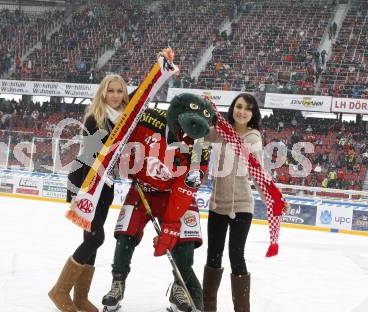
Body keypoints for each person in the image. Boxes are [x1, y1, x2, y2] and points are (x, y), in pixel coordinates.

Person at [102, 94, 217, 312]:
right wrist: (126, 160)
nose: (187, 140)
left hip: (174, 196)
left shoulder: (200, 149)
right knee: (126, 233)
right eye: (183, 132)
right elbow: (121, 138)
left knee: (185, 239)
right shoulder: (148, 119)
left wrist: (172, 225)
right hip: (142, 189)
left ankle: (178, 286)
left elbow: (185, 189)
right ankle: (118, 282)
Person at [48, 74, 129, 312]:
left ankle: (81, 298)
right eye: (111, 91)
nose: (115, 95)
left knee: (90, 239)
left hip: (107, 186)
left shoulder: (125, 118)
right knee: (96, 238)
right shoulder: (97, 118)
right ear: (103, 93)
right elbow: (92, 155)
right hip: (88, 183)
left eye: (119, 91)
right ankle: (60, 290)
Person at [202, 94, 287, 312]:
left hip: (242, 206)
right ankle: (208, 307)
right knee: (213, 256)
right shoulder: (220, 131)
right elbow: (200, 133)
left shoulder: (253, 138)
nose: (242, 111)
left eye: (248, 109)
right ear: (232, 108)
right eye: (239, 106)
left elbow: (258, 173)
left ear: (252, 114)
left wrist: (273, 196)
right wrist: (202, 109)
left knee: (236, 255)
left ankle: (242, 309)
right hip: (217, 205)